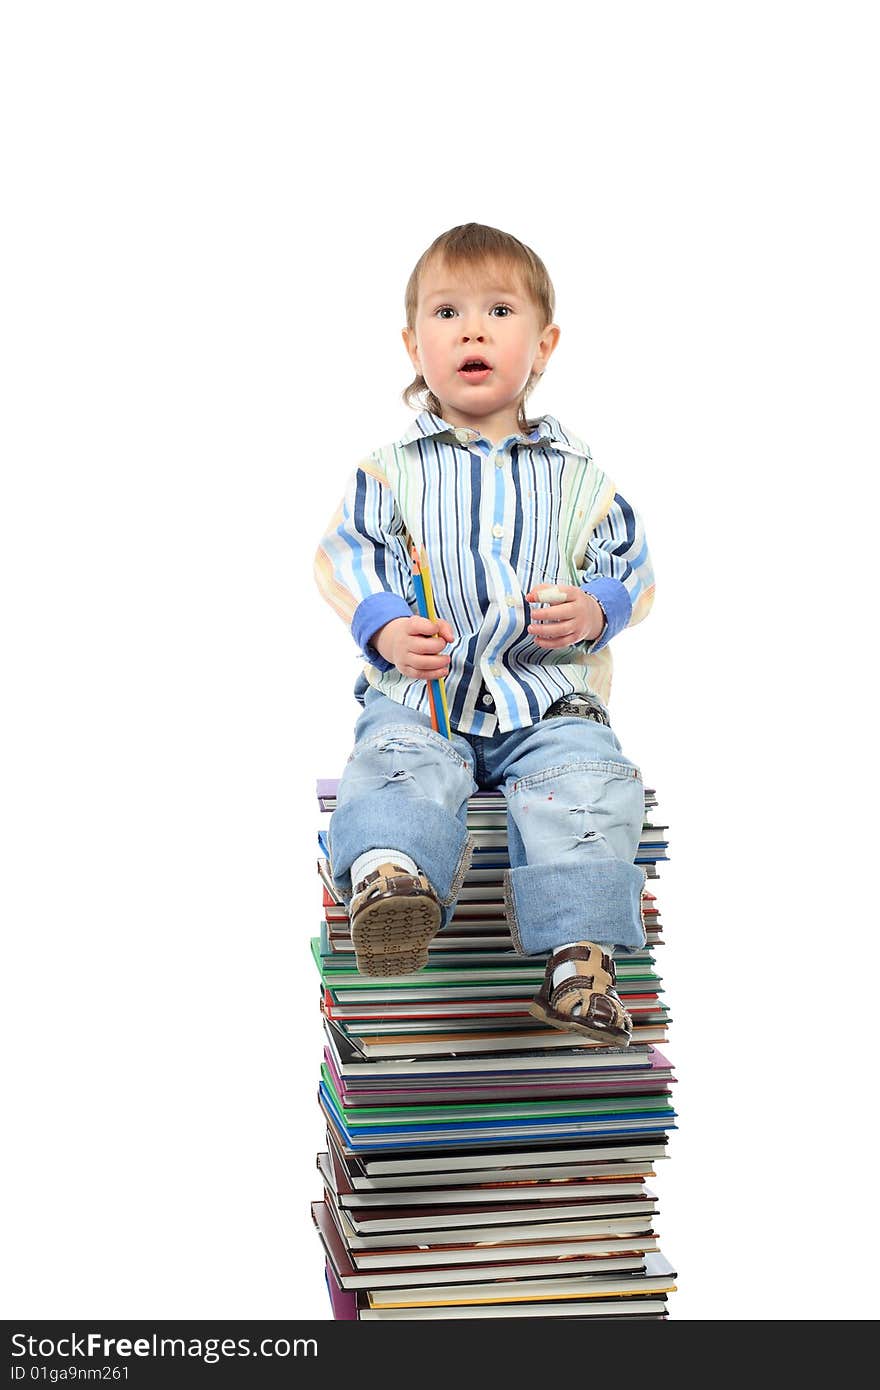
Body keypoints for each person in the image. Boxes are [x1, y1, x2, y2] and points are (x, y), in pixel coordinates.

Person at [314, 222, 654, 1047]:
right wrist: (387, 625)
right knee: (393, 761)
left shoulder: (578, 475)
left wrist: (595, 605)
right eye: (447, 312)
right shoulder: (391, 469)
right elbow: (344, 555)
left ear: (543, 344)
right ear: (412, 344)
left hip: (547, 697)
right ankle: (391, 882)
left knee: (589, 782)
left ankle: (578, 962)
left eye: (499, 310)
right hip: (423, 698)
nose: (472, 329)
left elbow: (631, 564)